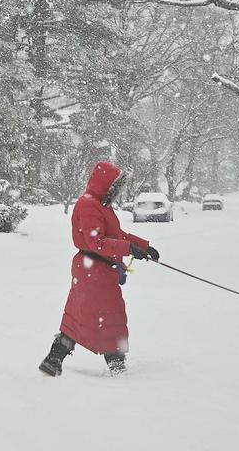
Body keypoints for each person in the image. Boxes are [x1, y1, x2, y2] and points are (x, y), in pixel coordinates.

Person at [39, 160, 160, 377]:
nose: (117, 192)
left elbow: (117, 235)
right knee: (105, 316)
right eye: (115, 187)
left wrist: (143, 247)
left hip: (97, 271)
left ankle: (54, 359)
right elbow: (98, 242)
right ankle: (115, 364)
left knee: (86, 315)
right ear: (106, 184)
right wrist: (130, 248)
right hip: (92, 270)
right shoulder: (88, 205)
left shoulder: (99, 206)